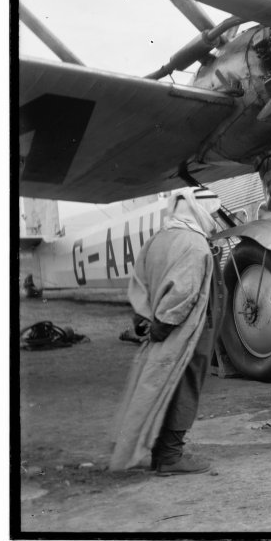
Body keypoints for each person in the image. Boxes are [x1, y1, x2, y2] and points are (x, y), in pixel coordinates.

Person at [110, 187, 221, 475]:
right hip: (186, 328)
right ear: (198, 211)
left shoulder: (157, 239)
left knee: (158, 384)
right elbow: (184, 292)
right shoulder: (195, 244)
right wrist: (163, 324)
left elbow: (139, 280)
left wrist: (144, 318)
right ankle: (170, 456)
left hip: (159, 325)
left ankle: (158, 452)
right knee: (184, 386)